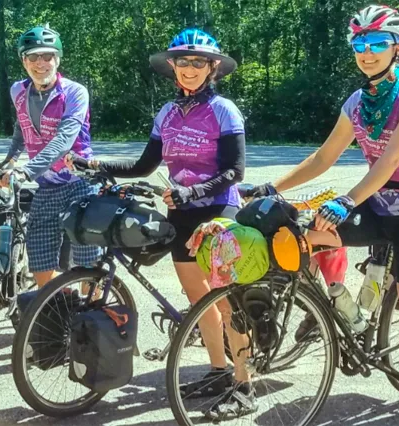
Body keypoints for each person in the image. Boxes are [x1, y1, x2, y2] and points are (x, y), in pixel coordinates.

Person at [247, 6, 399, 425]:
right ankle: (325, 311)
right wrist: (272, 187)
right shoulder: (357, 102)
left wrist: (347, 200)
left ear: (397, 48)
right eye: (359, 45)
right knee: (299, 235)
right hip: (379, 205)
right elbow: (323, 157)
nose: (366, 53)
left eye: (377, 44)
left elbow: (389, 161)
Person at [75, 28, 254, 419]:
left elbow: (235, 172)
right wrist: (95, 164)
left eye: (198, 62)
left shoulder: (224, 110)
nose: (189, 69)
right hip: (182, 215)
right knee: (198, 301)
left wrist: (193, 193)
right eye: (182, 61)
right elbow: (144, 165)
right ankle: (218, 371)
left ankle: (244, 383)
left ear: (213, 68)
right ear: (172, 66)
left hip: (218, 212)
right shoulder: (167, 114)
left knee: (226, 303)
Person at [0, 25, 101, 288]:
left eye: (48, 56)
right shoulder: (17, 91)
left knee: (87, 266)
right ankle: (63, 313)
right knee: (41, 267)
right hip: (46, 187)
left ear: (58, 58)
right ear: (23, 60)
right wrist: (9, 161)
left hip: (81, 184)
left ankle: (92, 323)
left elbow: (64, 139)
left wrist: (24, 171)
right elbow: (22, 129)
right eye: (33, 56)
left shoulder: (75, 92)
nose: (41, 63)